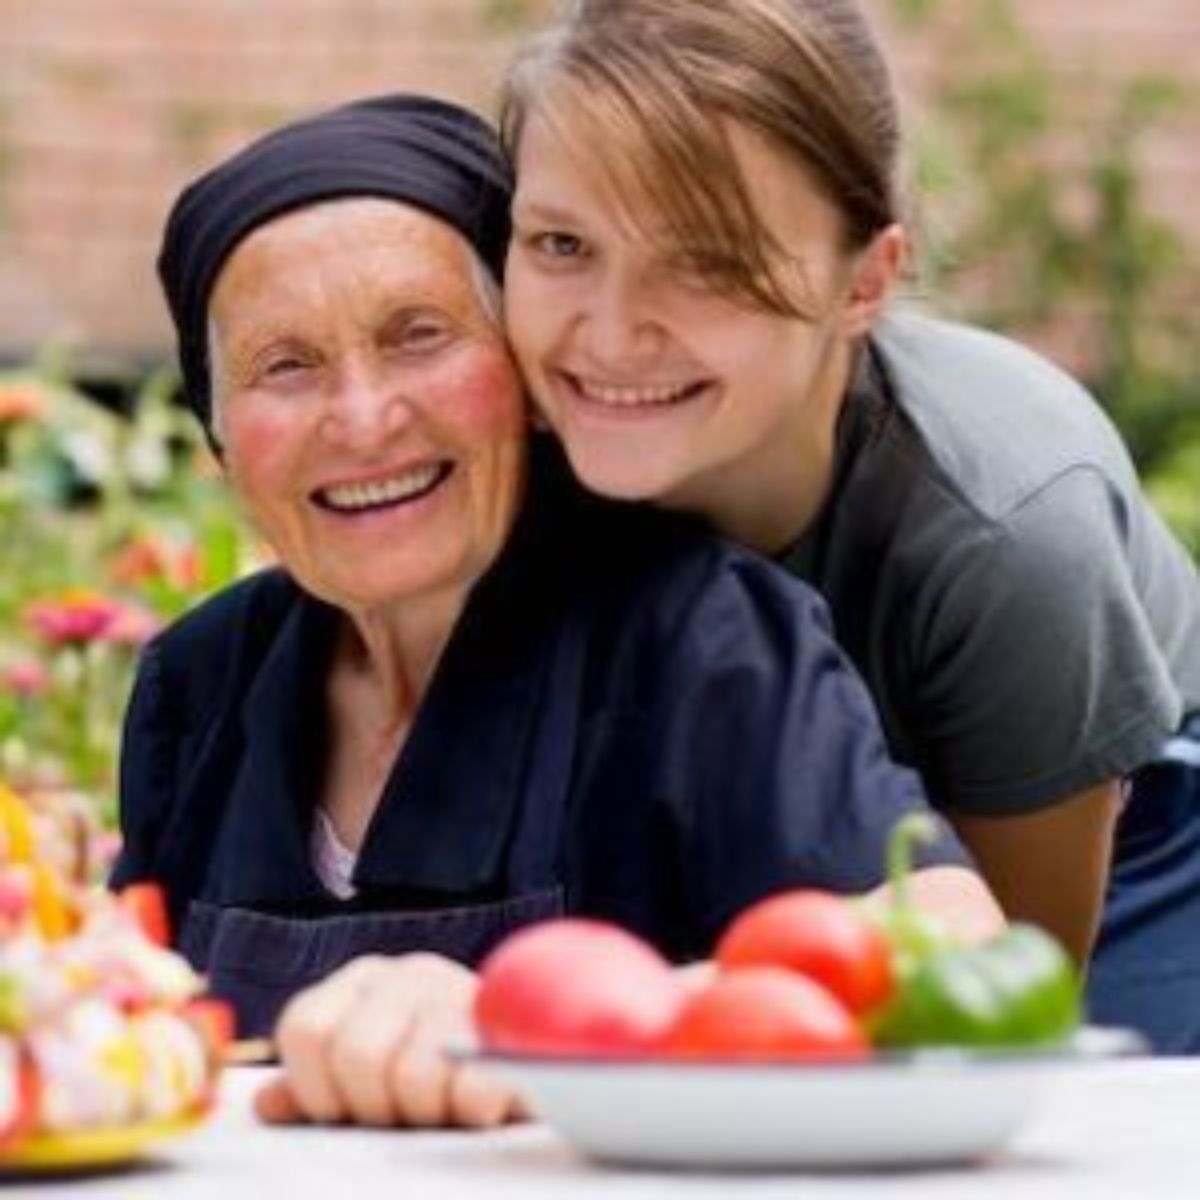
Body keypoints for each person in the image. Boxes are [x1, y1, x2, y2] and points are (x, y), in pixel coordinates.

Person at [113, 94, 1003, 1126]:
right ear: (220, 435)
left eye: (418, 336)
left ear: (527, 377)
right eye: (286, 366)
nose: (362, 419)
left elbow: (951, 945)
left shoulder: (697, 634)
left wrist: (541, 1019)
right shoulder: (199, 681)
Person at [497, 0, 1200, 1052]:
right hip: (778, 821)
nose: (609, 332)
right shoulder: (515, 447)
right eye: (560, 242)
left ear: (863, 280)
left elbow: (1002, 982)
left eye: (708, 260)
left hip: (1124, 840)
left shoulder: (1003, 529)